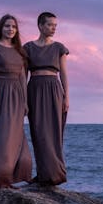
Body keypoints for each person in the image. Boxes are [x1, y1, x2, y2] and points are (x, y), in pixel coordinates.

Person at [0, 14, 32, 188]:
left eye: (14, 27)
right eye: (7, 26)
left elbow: (23, 78)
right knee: (1, 137)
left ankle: (12, 176)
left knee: (16, 135)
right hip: (0, 93)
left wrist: (25, 102)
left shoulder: (20, 51)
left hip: (17, 95)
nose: (10, 29)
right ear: (1, 28)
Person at [24, 11, 69, 185]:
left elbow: (64, 73)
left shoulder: (59, 47)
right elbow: (23, 75)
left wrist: (66, 97)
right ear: (40, 26)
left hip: (54, 88)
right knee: (38, 132)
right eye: (50, 25)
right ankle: (42, 173)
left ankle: (55, 174)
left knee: (54, 132)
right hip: (34, 88)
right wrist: (23, 98)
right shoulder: (28, 47)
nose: (53, 28)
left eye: (55, 26)